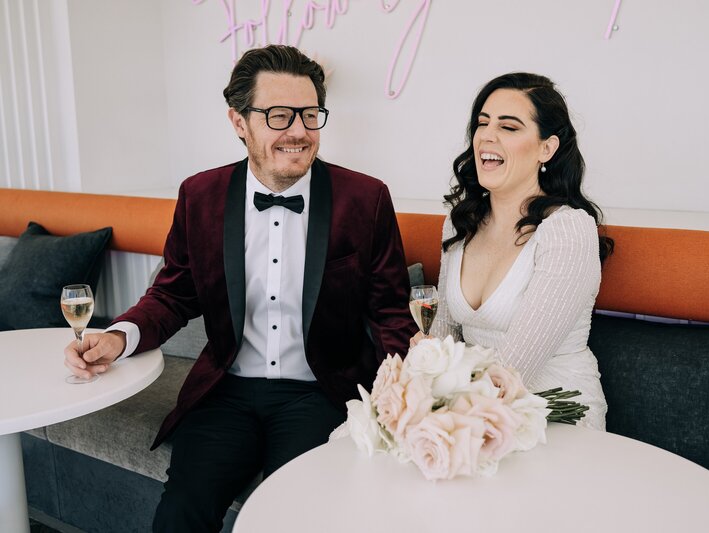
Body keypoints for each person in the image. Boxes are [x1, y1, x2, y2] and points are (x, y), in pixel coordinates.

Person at [63, 45, 416, 532]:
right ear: (238, 122)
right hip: (225, 389)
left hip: (319, 392)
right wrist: (118, 337)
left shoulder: (366, 198)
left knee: (292, 517)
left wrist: (409, 401)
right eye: (278, 115)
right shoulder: (199, 195)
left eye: (310, 115)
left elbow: (391, 311)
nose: (298, 131)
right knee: (180, 514)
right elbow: (173, 293)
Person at [413, 72, 612, 431]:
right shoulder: (461, 222)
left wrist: (437, 412)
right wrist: (424, 361)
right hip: (468, 406)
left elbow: (512, 371)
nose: (487, 136)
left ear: (546, 148)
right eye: (482, 123)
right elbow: (442, 333)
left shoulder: (568, 230)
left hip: (550, 413)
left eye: (509, 127)